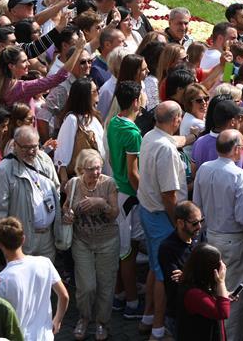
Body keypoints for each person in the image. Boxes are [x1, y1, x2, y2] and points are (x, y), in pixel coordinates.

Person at [193, 129, 243, 341]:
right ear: (237, 149)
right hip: (234, 241)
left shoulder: (203, 169)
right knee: (234, 297)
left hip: (210, 237)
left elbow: (197, 206)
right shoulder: (241, 176)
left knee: (213, 291)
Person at [138, 101, 189, 341]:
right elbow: (169, 195)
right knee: (162, 275)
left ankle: (147, 318)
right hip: (162, 216)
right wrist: (178, 223)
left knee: (153, 266)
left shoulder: (150, 136)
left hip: (147, 211)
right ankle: (158, 330)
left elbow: (175, 140)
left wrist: (190, 138)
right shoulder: (166, 150)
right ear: (176, 120)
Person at [61, 148, 119, 340]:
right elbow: (67, 207)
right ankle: (84, 318)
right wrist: (68, 215)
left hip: (107, 241)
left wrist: (101, 203)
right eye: (91, 169)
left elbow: (114, 213)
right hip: (82, 242)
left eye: (98, 168)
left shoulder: (108, 183)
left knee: (105, 285)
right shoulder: (73, 184)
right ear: (80, 169)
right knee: (86, 286)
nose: (95, 172)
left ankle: (102, 322)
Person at [0, 216, 70, 341]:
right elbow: (64, 296)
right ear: (23, 239)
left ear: (0, 245)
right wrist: (57, 320)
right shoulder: (45, 263)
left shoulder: (1, 281)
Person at [0, 126, 62, 259]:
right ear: (15, 145)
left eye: (34, 147)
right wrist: (7, 245)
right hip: (21, 241)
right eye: (25, 147)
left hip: (47, 238)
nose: (31, 151)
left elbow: (56, 187)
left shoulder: (44, 160)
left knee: (45, 278)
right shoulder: (3, 171)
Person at [107, 81, 146, 317]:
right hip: (129, 198)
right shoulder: (132, 132)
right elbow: (133, 172)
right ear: (135, 101)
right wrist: (145, 195)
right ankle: (132, 303)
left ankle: (120, 294)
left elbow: (113, 160)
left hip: (118, 191)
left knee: (125, 248)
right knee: (127, 252)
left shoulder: (114, 122)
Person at [0, 30, 85, 106]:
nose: (28, 63)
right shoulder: (21, 88)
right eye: (24, 61)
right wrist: (78, 50)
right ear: (11, 66)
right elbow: (59, 77)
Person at [159, 201, 203, 336]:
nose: (199, 226)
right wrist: (196, 275)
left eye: (201, 221)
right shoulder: (167, 248)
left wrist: (187, 275)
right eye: (194, 223)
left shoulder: (199, 239)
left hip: (199, 309)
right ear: (180, 223)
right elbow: (177, 283)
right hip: (179, 313)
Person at [54, 78, 107, 185]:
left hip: (96, 178)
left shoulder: (94, 117)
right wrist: (65, 183)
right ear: (84, 96)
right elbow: (61, 155)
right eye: (94, 91)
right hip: (79, 180)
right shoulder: (72, 120)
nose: (98, 93)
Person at [176, 243, 232, 341]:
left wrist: (224, 296)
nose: (222, 267)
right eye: (218, 264)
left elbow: (210, 303)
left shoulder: (199, 283)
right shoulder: (193, 294)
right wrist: (221, 282)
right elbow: (222, 313)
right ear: (208, 268)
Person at [38, 45, 93, 137]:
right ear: (71, 62)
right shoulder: (62, 88)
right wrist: (48, 146)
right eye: (83, 62)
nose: (87, 65)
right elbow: (42, 118)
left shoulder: (88, 81)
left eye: (90, 61)